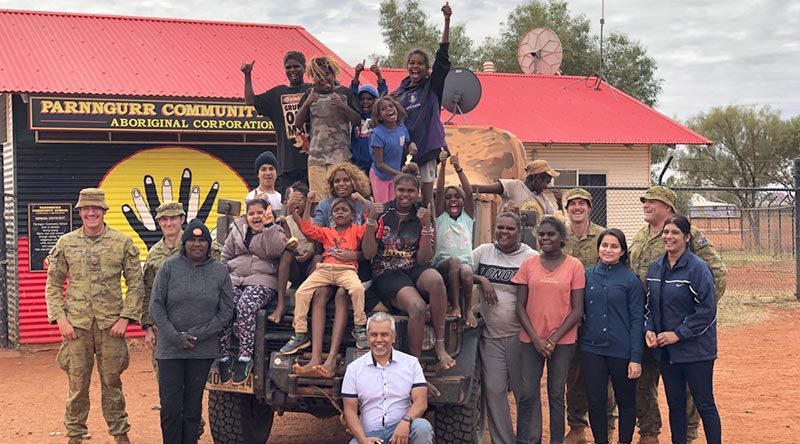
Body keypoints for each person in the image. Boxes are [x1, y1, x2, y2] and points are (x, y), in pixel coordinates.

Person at [45, 188, 144, 444]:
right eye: (86, 209)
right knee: (77, 386)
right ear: (80, 212)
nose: (91, 213)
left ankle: (120, 434)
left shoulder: (122, 242)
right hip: (76, 327)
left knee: (112, 383)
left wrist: (126, 318)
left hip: (112, 325)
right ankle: (75, 436)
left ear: (103, 211)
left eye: (96, 209)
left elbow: (136, 284)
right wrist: (61, 320)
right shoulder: (65, 243)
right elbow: (53, 285)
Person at [629, 186, 727, 444]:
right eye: (645, 202)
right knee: (645, 383)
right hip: (650, 326)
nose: (646, 205)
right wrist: (648, 324)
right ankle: (649, 433)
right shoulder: (640, 236)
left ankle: (690, 434)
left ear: (668, 207)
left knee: (692, 394)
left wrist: (692, 318)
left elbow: (717, 274)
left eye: (652, 202)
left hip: (687, 336)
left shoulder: (692, 236)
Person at [362, 164, 456, 371]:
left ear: (418, 193)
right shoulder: (383, 213)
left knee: (436, 280)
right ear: (394, 190)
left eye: (411, 191)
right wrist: (370, 221)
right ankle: (414, 364)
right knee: (417, 307)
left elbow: (424, 258)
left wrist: (426, 227)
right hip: (387, 272)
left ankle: (440, 345)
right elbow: (368, 254)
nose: (406, 195)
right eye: (401, 190)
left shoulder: (422, 214)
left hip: (414, 267)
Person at [149, 219, 234, 444]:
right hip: (170, 349)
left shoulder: (219, 271)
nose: (197, 245)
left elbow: (226, 312)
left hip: (201, 350)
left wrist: (199, 334)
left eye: (202, 240)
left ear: (209, 245)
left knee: (192, 407)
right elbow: (156, 305)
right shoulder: (169, 267)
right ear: (184, 243)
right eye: (192, 240)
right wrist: (175, 336)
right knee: (170, 407)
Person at [644, 215, 722, 444]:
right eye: (666, 232)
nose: (669, 237)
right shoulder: (655, 268)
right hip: (667, 353)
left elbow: (707, 311)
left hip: (696, 350)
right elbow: (649, 306)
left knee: (704, 402)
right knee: (675, 405)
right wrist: (649, 329)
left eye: (675, 233)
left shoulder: (698, 269)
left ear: (687, 237)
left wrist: (678, 334)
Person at [296, 163, 373, 378]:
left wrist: (354, 255)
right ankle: (312, 354)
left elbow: (372, 226)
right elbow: (312, 232)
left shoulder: (361, 206)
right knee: (315, 294)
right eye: (337, 180)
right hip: (328, 262)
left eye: (346, 180)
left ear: (355, 182)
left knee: (345, 294)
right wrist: (304, 207)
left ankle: (334, 356)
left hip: (354, 266)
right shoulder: (325, 208)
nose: (341, 184)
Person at [513, 215, 585, 444]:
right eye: (541, 234)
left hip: (562, 342)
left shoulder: (574, 265)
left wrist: (552, 339)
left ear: (561, 237)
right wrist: (536, 339)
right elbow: (519, 307)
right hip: (530, 340)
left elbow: (577, 310)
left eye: (551, 234)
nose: (545, 238)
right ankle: (523, 440)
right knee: (527, 395)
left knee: (556, 395)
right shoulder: (528, 265)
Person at [472, 210, 539, 444]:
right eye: (500, 227)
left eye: (510, 228)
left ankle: (530, 439)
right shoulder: (483, 252)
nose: (504, 232)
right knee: (495, 391)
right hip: (491, 337)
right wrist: (481, 279)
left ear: (519, 232)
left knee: (525, 394)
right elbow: (459, 270)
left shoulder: (530, 257)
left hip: (520, 338)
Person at [280, 191, 369, 359]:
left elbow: (371, 223)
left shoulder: (356, 230)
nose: (340, 212)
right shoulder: (327, 231)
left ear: (352, 216)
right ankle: (300, 333)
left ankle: (359, 328)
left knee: (357, 289)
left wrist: (362, 200)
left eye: (344, 210)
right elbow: (307, 228)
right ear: (331, 216)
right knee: (301, 293)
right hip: (325, 269)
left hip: (346, 270)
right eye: (336, 210)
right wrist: (309, 204)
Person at [560, 188, 615, 444]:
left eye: (582, 203)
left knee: (604, 373)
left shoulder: (602, 236)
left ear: (590, 207)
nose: (577, 208)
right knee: (574, 374)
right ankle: (577, 426)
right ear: (566, 208)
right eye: (573, 204)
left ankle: (608, 424)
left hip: (598, 316)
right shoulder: (561, 237)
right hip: (570, 317)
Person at [581, 229, 644, 444]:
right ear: (598, 248)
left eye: (614, 246)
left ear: (622, 251)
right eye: (604, 245)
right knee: (596, 401)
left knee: (626, 401)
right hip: (591, 350)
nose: (608, 250)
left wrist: (635, 357)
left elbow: (637, 320)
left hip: (621, 351)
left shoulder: (630, 280)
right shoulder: (586, 275)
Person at [219, 198, 287, 385]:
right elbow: (226, 256)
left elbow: (276, 250)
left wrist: (269, 226)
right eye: (251, 213)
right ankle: (224, 357)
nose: (255, 216)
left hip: (262, 280)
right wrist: (221, 279)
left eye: (260, 212)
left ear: (267, 213)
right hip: (235, 278)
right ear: (246, 216)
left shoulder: (276, 229)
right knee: (225, 305)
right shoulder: (237, 230)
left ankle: (245, 358)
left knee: (245, 306)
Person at [393, 1, 452, 207]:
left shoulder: (432, 87)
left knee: (427, 201)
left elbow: (442, 60)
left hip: (427, 150)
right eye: (412, 63)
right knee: (404, 199)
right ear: (407, 66)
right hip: (406, 152)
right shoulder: (399, 93)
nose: (415, 66)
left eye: (420, 63)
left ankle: (430, 235)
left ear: (427, 68)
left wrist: (446, 21)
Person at [342, 312, 434, 444]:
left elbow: (421, 401)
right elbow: (350, 411)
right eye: (374, 335)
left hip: (402, 429)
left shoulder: (411, 363)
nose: (379, 339)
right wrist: (363, 439)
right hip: (370, 435)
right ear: (368, 338)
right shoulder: (354, 369)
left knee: (422, 427)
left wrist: (405, 422)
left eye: (384, 334)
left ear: (393, 337)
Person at [242, 51, 311, 192]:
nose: (292, 70)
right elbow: (250, 101)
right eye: (288, 67)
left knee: (313, 204)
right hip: (288, 163)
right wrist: (247, 75)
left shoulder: (312, 91)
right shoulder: (277, 94)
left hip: (312, 161)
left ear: (304, 67)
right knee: (290, 205)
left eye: (296, 66)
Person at [295, 55, 361, 197]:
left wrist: (343, 106)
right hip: (316, 157)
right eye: (318, 76)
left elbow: (357, 120)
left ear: (333, 74)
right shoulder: (309, 93)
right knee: (319, 199)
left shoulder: (344, 92)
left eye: (327, 74)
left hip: (340, 155)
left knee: (340, 196)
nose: (324, 79)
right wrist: (307, 103)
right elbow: (297, 124)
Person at [434, 151, 476, 327]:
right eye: (449, 197)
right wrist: (443, 166)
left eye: (457, 197)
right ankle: (455, 306)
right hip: (443, 263)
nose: (453, 200)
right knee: (454, 261)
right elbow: (441, 191)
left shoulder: (467, 218)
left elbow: (468, 191)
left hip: (464, 263)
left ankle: (468, 310)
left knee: (466, 273)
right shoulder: (440, 217)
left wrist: (458, 168)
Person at [473, 159, 564, 223]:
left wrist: (559, 203)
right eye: (546, 182)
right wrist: (462, 189)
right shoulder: (514, 186)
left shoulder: (543, 199)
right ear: (537, 178)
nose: (546, 187)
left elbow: (558, 222)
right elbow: (482, 188)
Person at [277, 182, 315, 316]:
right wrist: (291, 248)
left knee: (318, 258)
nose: (295, 204)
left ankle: (304, 305)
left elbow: (314, 240)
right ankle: (280, 303)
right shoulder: (285, 221)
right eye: (292, 200)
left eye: (299, 200)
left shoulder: (315, 220)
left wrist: (310, 253)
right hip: (294, 267)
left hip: (311, 268)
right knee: (286, 254)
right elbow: (287, 240)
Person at [369, 95, 417, 203]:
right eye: (384, 109)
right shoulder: (377, 134)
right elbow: (380, 164)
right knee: (383, 207)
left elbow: (406, 143)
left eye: (391, 106)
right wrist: (399, 174)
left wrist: (412, 146)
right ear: (379, 116)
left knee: (394, 205)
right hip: (380, 176)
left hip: (394, 176)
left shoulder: (401, 127)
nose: (389, 109)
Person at [350, 60, 388, 175]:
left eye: (369, 99)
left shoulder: (378, 117)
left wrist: (379, 75)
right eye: (362, 99)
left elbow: (384, 96)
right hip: (357, 163)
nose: (365, 102)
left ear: (375, 101)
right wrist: (357, 74)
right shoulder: (356, 116)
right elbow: (352, 94)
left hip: (374, 164)